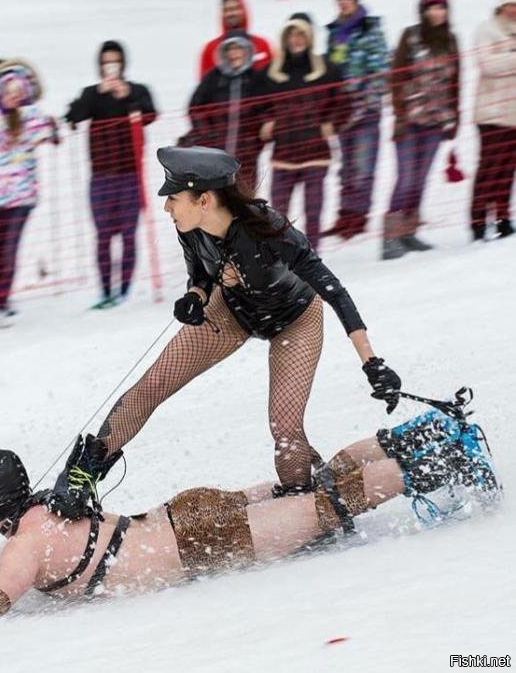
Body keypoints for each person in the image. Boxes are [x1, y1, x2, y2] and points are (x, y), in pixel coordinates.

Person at [0, 406, 499, 661]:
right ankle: (420, 434)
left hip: (202, 542)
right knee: (313, 487)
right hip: (186, 515)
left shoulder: (23, 548)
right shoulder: (43, 511)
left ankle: (449, 458)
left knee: (329, 506)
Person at [50, 146, 402, 517]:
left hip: (295, 319)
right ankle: (80, 476)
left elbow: (334, 290)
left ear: (204, 200)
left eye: (173, 198)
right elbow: (200, 275)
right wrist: (195, 296)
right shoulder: (190, 228)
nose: (166, 207)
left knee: (284, 427)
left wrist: (372, 362)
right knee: (153, 384)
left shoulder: (268, 229)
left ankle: (303, 506)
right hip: (233, 310)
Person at [66, 40, 157, 309]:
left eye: (115, 61)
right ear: (100, 66)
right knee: (103, 235)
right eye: (106, 62)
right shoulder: (91, 94)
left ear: (123, 64)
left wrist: (127, 96)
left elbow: (150, 114)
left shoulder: (138, 90)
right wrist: (98, 94)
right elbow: (73, 117)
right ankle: (106, 290)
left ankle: (125, 290)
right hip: (101, 176)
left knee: (129, 234)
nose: (111, 67)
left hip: (130, 174)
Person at [0, 65, 58, 326]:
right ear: (0, 92)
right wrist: (11, 137)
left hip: (21, 196)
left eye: (19, 91)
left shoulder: (31, 114)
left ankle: (1, 299)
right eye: (9, 91)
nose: (14, 95)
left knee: (9, 251)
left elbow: (44, 134)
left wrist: (50, 128)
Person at [382, 0, 460, 260]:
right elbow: (396, 77)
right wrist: (400, 113)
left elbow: (455, 82)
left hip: (436, 122)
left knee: (420, 180)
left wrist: (455, 117)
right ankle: (390, 237)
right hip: (410, 122)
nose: (437, 12)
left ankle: (408, 232)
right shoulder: (411, 36)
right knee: (406, 178)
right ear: (423, 10)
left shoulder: (450, 40)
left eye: (441, 7)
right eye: (432, 7)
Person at [259, 13, 348, 250]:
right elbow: (258, 104)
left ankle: (311, 257)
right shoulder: (271, 72)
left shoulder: (328, 69)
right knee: (278, 213)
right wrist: (267, 121)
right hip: (283, 154)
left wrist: (331, 123)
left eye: (301, 34)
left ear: (309, 37)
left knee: (313, 210)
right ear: (285, 38)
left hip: (316, 153)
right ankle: (281, 256)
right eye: (291, 35)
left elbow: (344, 101)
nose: (296, 39)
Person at [323, 0, 390, 240]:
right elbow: (330, 71)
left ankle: (359, 217)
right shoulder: (334, 33)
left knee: (363, 166)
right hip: (342, 112)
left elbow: (381, 70)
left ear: (356, 0)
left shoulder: (370, 29)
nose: (344, 2)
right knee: (346, 167)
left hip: (366, 111)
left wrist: (365, 101)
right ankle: (344, 215)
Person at [183, 31, 265, 195]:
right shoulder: (213, 78)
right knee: (214, 200)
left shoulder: (256, 79)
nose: (234, 54)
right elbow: (195, 108)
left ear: (248, 51)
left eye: (239, 49)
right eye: (230, 49)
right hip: (215, 156)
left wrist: (255, 141)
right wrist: (208, 136)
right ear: (224, 52)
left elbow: (265, 110)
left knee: (245, 200)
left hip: (246, 156)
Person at [469, 0, 516, 241]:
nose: (513, 9)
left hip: (513, 115)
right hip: (490, 113)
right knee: (489, 168)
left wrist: (507, 58)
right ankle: (478, 220)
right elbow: (487, 64)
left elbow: (501, 63)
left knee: (507, 170)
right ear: (501, 5)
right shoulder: (486, 30)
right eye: (510, 4)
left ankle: (503, 218)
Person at [199, 0, 272, 78]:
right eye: (227, 10)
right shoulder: (211, 49)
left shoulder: (262, 45)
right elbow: (204, 82)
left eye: (236, 8)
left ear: (244, 10)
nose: (232, 13)